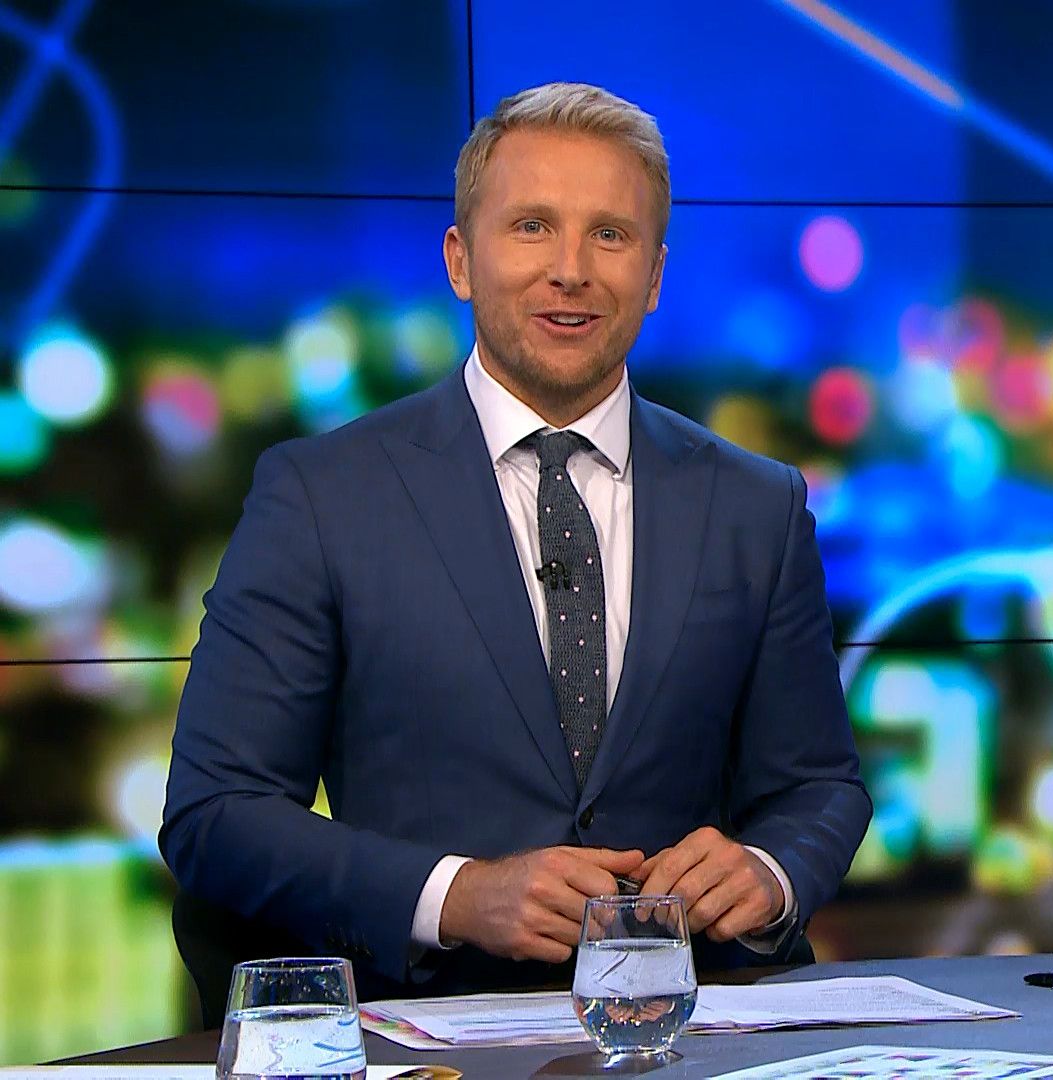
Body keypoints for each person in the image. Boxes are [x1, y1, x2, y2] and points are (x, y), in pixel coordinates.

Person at [161, 83, 872, 1001]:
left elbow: (818, 787)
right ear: (461, 260)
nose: (571, 270)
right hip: (427, 1028)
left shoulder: (756, 504)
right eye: (532, 227)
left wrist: (768, 872)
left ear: (655, 276)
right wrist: (457, 896)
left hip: (689, 1030)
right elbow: (217, 813)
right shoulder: (322, 495)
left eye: (610, 235)